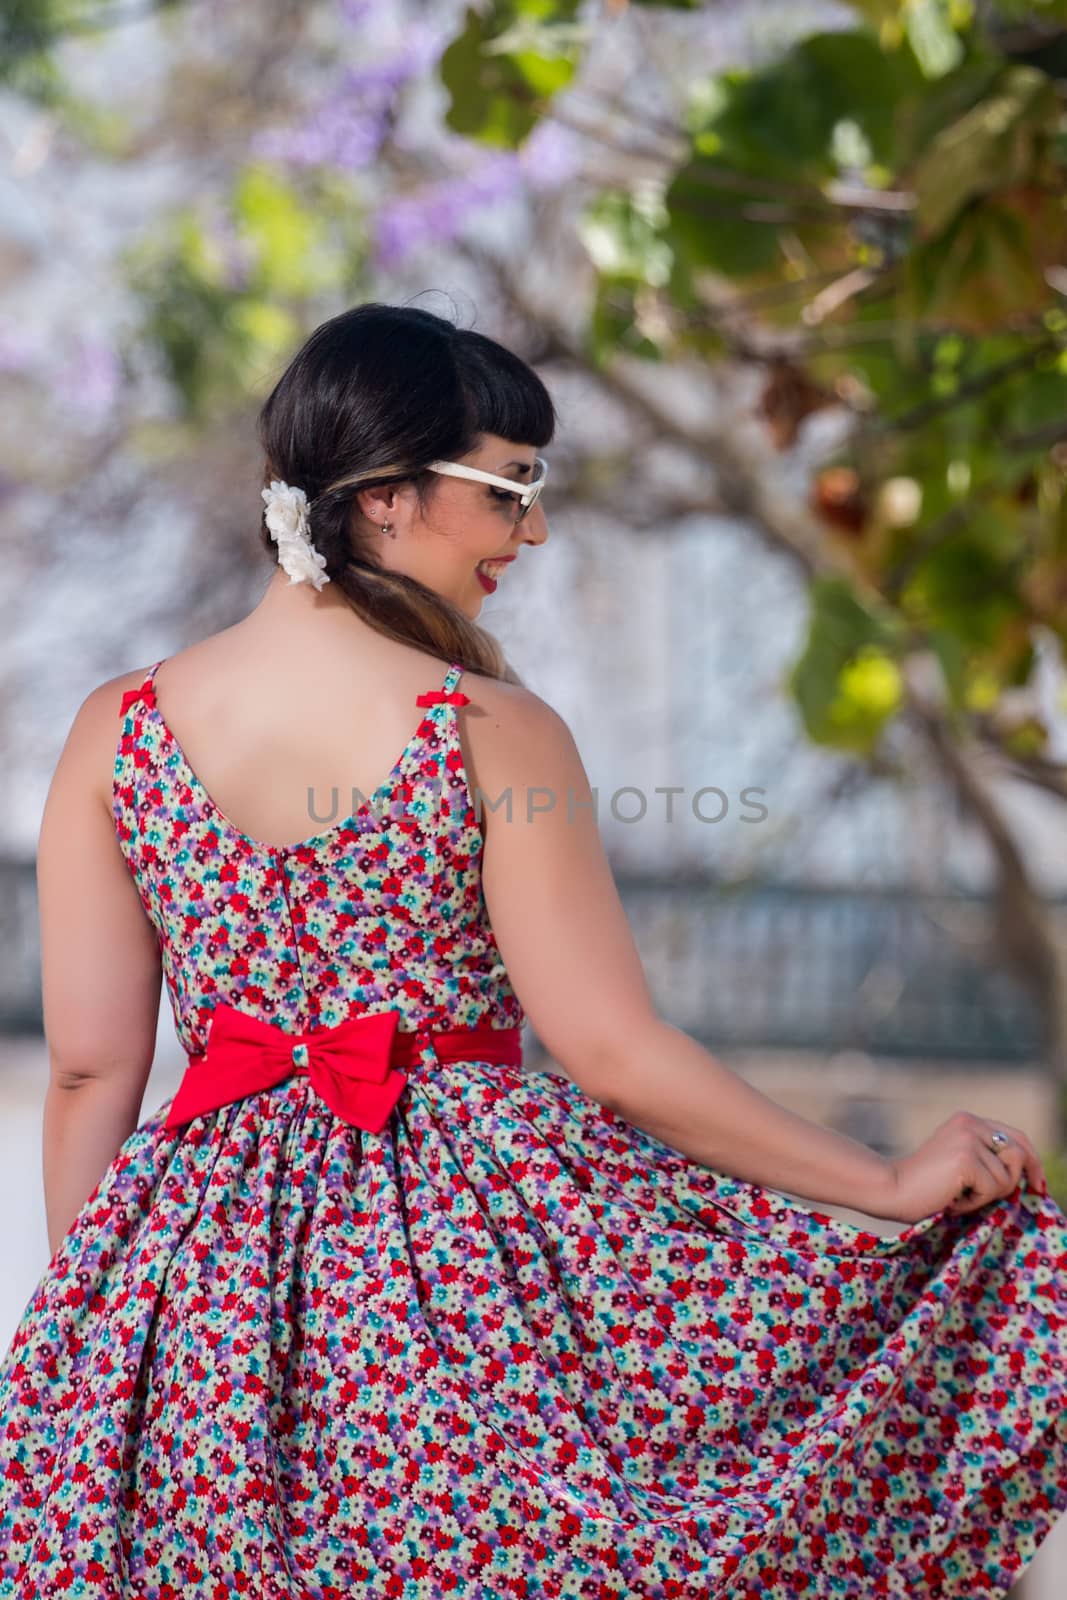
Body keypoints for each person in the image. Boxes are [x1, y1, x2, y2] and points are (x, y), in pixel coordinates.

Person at [1, 301, 1063, 1599]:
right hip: (466, 1295)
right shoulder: (487, 729)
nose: (536, 529)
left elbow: (88, 1074)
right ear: (386, 497)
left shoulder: (119, 729)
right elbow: (613, 1049)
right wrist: (884, 1182)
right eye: (508, 491)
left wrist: (103, 1337)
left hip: (196, 1299)